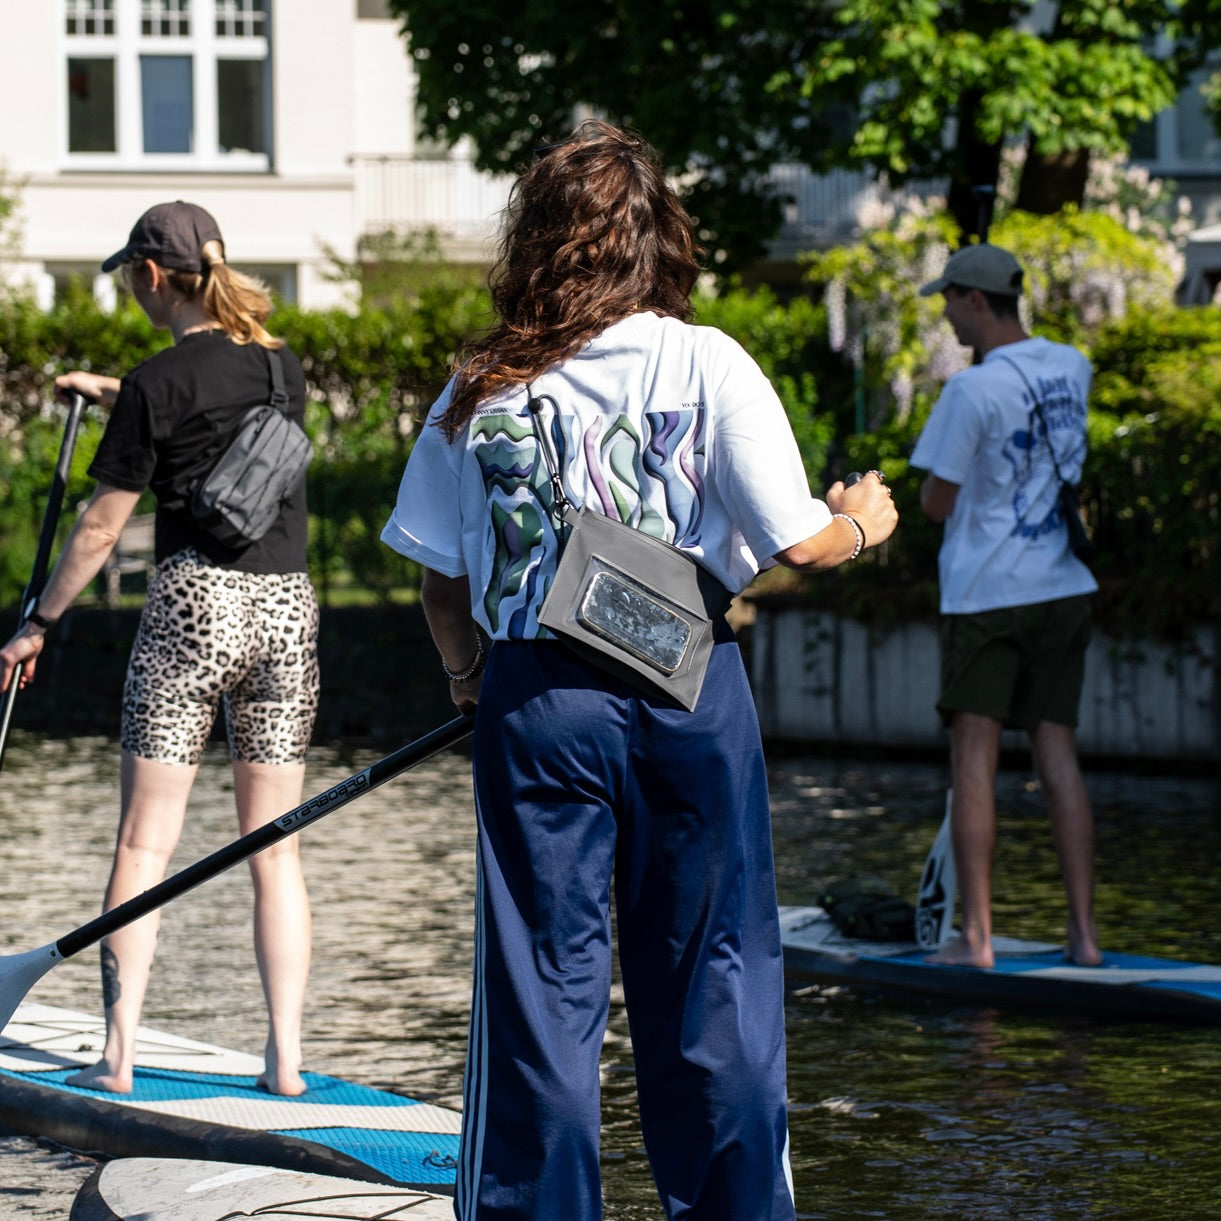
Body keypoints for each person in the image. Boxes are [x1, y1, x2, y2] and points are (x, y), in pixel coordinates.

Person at [381, 120, 897, 1220]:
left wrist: (470, 681)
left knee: (541, 994)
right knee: (715, 977)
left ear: (535, 243)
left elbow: (436, 581)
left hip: (536, 705)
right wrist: (865, 523)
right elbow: (798, 546)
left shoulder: (484, 383)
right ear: (656, 237)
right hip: (688, 694)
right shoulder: (706, 359)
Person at [0, 201, 319, 1095]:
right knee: (276, 848)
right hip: (287, 613)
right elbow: (215, 422)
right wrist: (115, 392)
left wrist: (39, 622)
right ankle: (286, 1064)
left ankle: (118, 1055)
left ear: (149, 275)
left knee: (144, 844)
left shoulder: (156, 385)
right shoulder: (279, 365)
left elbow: (102, 531)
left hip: (194, 611)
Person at [910, 241, 1101, 970]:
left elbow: (935, 502)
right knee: (1057, 754)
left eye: (949, 301)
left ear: (975, 301)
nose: (946, 315)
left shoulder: (969, 390)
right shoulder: (1070, 366)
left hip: (986, 595)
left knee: (973, 760)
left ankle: (978, 938)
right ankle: (1083, 939)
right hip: (1061, 588)